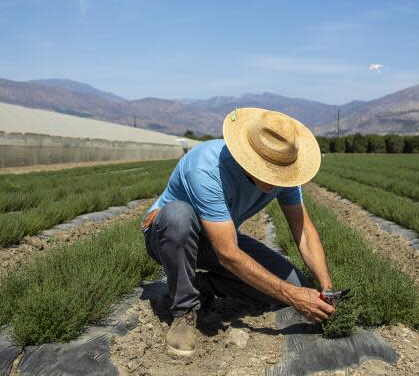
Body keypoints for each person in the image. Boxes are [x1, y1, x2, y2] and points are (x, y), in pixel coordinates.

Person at [141, 107, 336, 356]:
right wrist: (294, 297)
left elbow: (303, 231)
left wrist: (326, 288)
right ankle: (184, 311)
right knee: (178, 215)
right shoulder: (207, 167)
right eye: (269, 170)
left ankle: (203, 286)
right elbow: (227, 254)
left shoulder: (284, 173)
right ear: (250, 156)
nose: (276, 180)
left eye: (281, 173)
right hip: (168, 235)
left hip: (219, 235)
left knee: (296, 284)